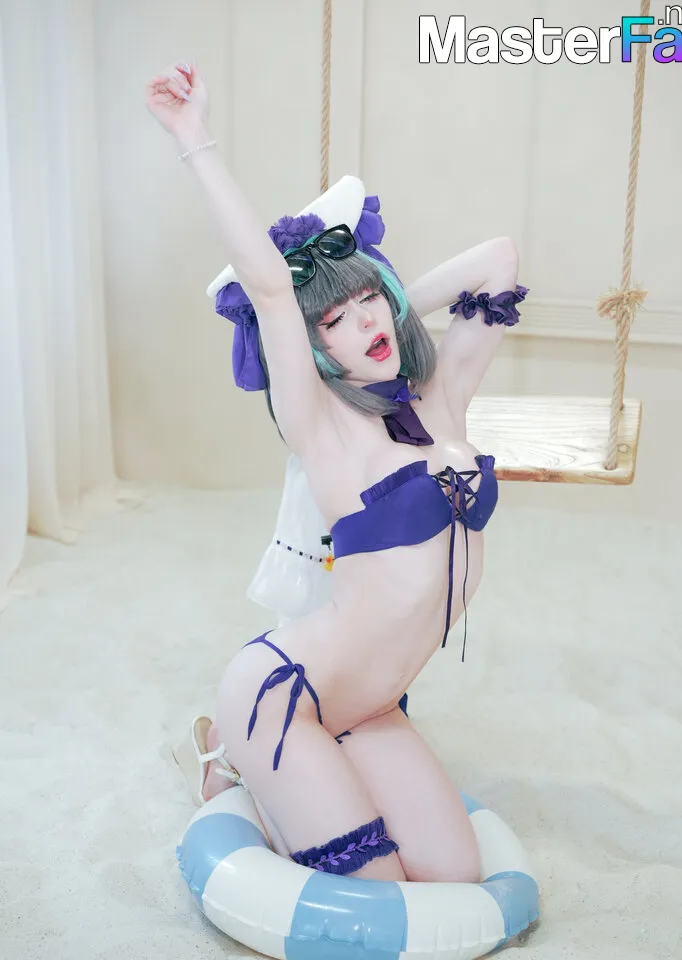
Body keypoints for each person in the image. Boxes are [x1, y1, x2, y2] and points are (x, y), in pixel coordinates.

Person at [146, 61, 527, 883]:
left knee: (454, 876)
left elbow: (498, 258)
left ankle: (261, 773)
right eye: (337, 322)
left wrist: (368, 288)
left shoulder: (440, 397)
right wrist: (193, 137)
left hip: (370, 707)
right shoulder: (321, 432)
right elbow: (269, 287)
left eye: (370, 305)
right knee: (378, 890)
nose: (365, 323)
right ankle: (228, 755)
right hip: (285, 697)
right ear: (312, 349)